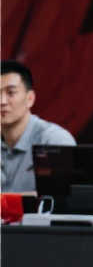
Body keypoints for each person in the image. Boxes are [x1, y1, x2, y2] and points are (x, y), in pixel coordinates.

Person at [1, 60, 75, 192]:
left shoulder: (54, 140)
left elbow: (63, 198)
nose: (2, 101)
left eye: (11, 93)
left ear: (30, 98)